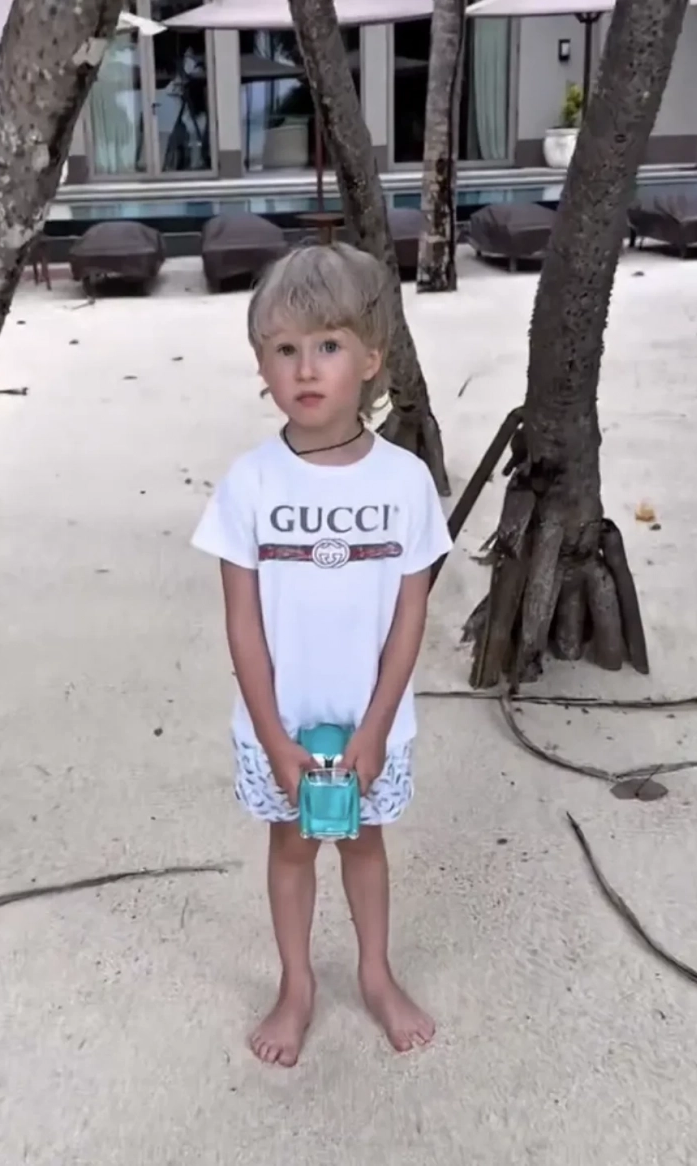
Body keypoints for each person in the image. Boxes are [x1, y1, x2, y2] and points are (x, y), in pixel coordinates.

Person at [191, 242, 452, 1067]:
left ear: (371, 359)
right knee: (292, 847)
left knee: (365, 846)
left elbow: (410, 616)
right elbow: (242, 626)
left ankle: (375, 973)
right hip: (284, 726)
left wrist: (375, 730)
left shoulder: (405, 483)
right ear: (261, 364)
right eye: (284, 348)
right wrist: (274, 739)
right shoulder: (249, 485)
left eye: (329, 345)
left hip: (372, 724)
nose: (306, 368)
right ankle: (297, 984)